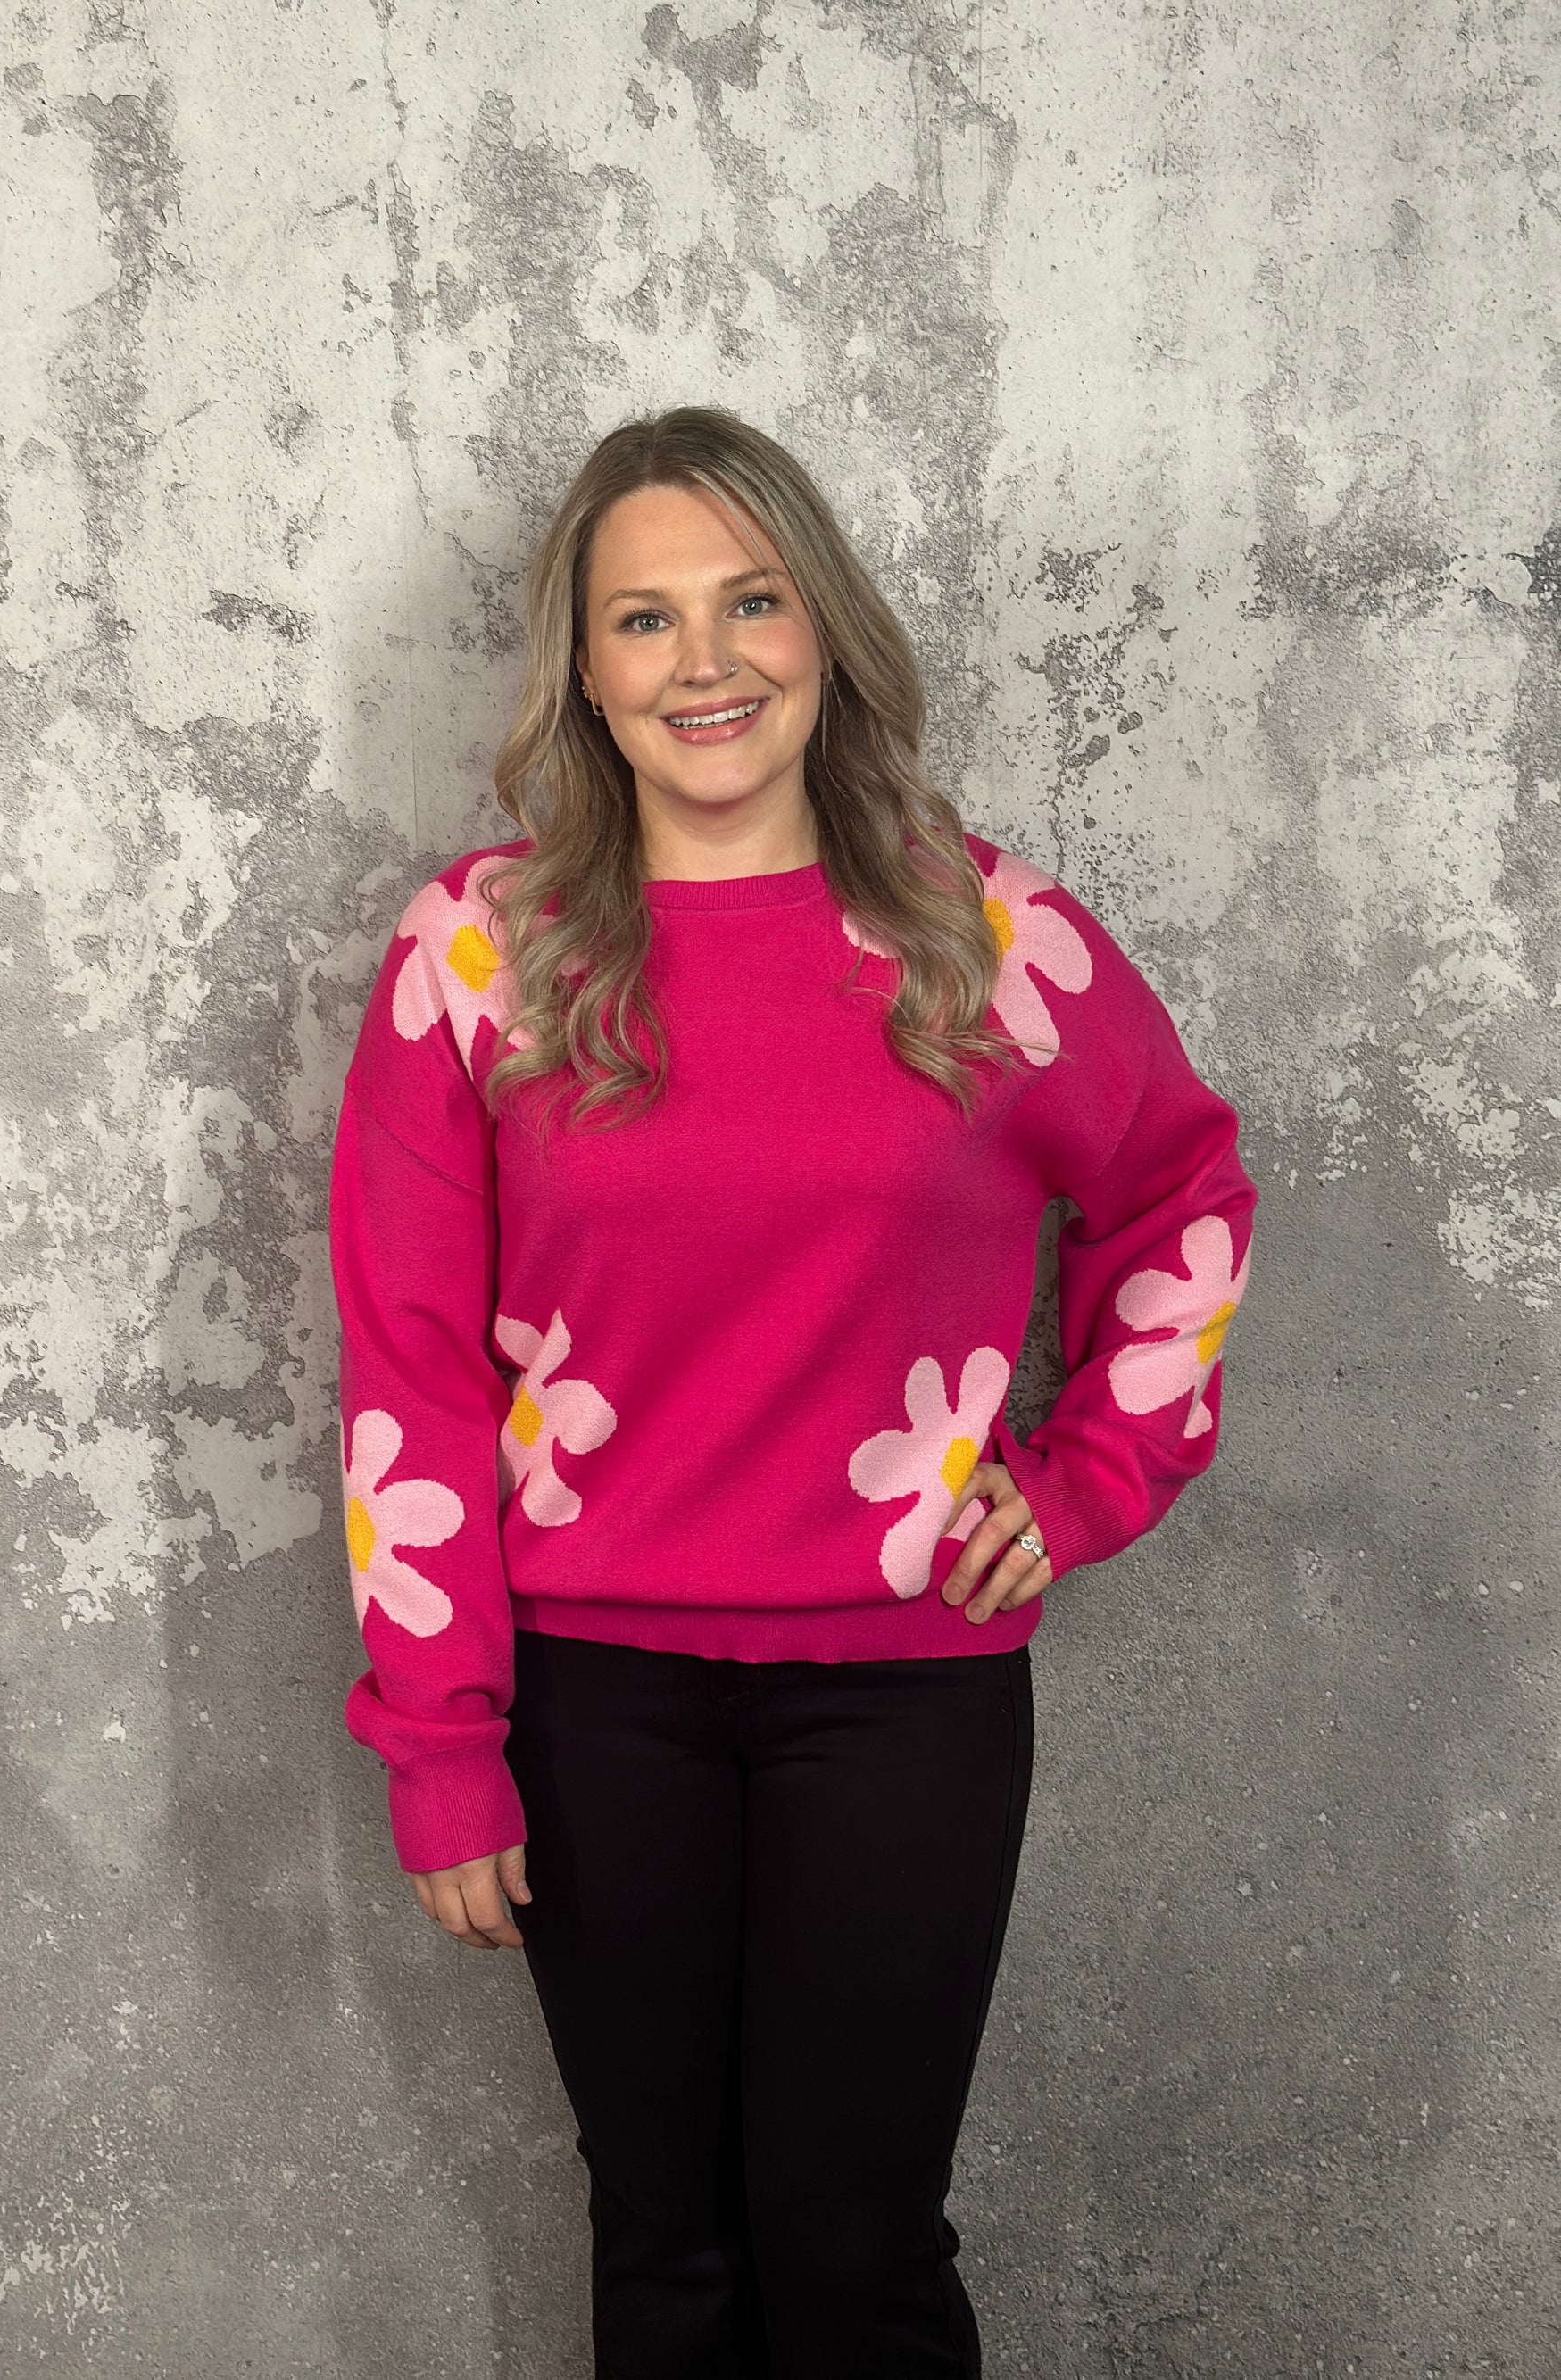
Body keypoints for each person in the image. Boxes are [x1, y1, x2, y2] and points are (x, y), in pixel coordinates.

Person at [327, 404, 1258, 2378]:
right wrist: (439, 1738)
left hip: (904, 1692)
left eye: (750, 601)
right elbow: (407, 1366)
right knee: (666, 2249)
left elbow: (1180, 1190)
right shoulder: (478, 955)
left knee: (854, 2253)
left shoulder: (981, 936)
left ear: (823, 627)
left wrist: (1086, 1476)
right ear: (586, 671)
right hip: (591, 1700)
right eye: (644, 618)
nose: (706, 660)